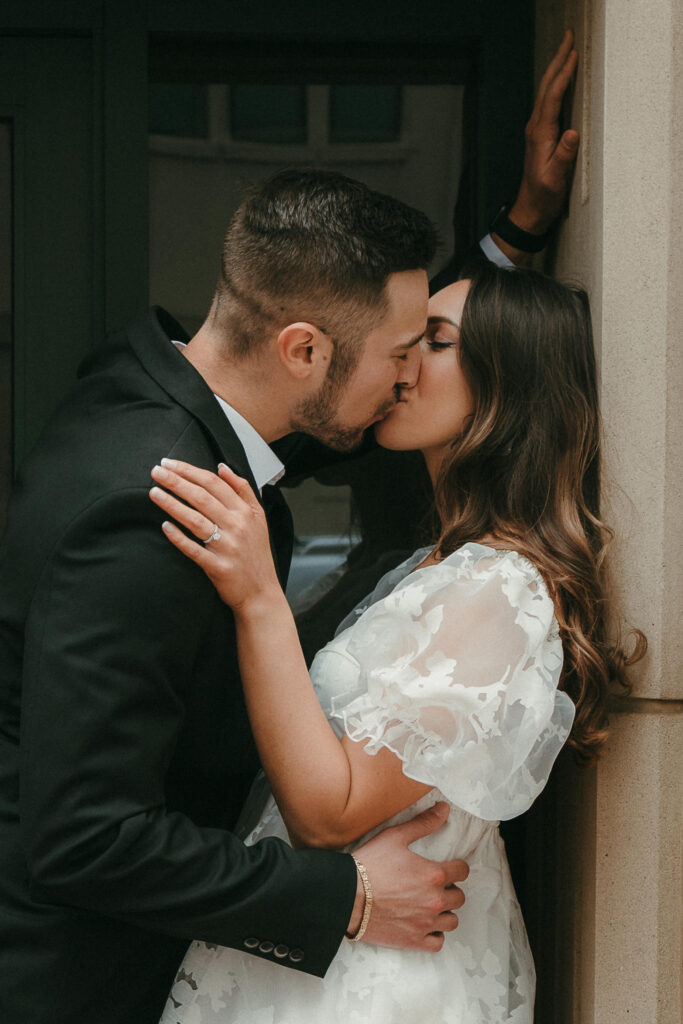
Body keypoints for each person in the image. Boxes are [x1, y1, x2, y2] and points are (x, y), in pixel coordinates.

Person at [0, 34, 578, 1024]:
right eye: (405, 350)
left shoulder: (166, 397)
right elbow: (83, 837)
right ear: (303, 350)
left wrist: (513, 241)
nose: (406, 374)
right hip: (75, 984)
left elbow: (427, 375)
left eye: (428, 348)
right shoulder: (144, 506)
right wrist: (346, 895)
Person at [151, 264, 645, 1023]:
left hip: (376, 983)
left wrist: (257, 597)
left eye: (434, 342)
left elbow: (329, 814)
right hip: (332, 955)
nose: (402, 364)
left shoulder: (498, 591)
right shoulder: (436, 565)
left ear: (507, 384)